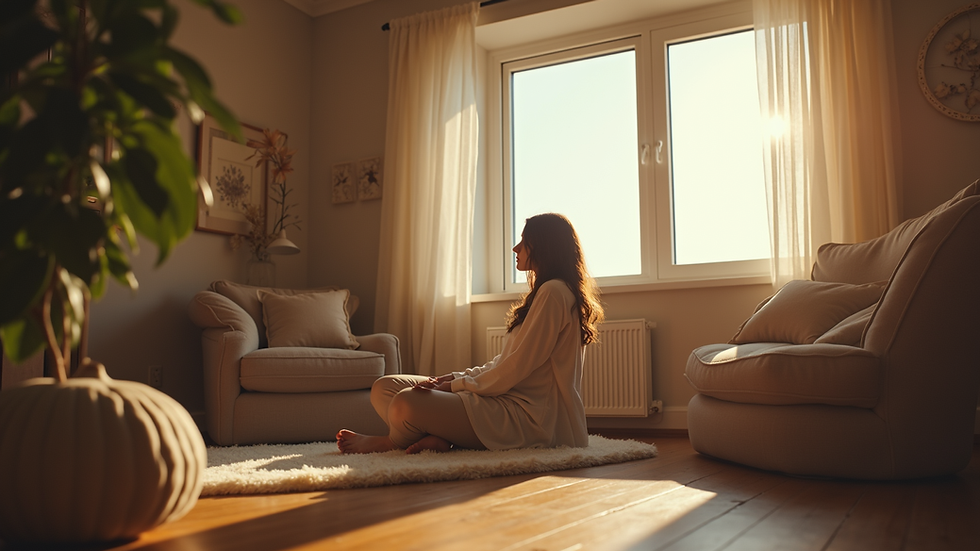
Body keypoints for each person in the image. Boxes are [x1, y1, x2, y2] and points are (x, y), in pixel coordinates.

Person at [337, 213, 604, 454]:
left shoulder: (554, 292)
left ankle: (391, 442)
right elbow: (503, 362)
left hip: (530, 419)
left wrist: (454, 387)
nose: (516, 248)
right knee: (385, 387)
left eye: (525, 241)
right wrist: (454, 377)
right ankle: (439, 438)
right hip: (503, 402)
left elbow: (515, 368)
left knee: (405, 402)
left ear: (545, 246)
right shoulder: (547, 293)